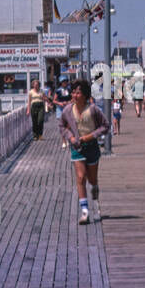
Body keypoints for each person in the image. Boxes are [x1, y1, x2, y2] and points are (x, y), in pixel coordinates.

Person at [58, 78, 108, 224]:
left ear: (85, 95)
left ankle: (96, 195)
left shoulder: (93, 109)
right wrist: (70, 137)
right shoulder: (68, 110)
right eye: (73, 92)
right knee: (80, 177)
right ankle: (85, 212)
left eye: (78, 93)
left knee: (92, 179)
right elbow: (61, 126)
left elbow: (105, 126)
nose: (74, 95)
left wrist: (90, 136)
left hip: (91, 146)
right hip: (77, 148)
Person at [54, 79, 72, 147]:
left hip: (68, 108)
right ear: (61, 83)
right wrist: (60, 103)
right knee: (62, 126)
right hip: (60, 109)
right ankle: (63, 141)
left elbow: (72, 99)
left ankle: (68, 139)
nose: (65, 83)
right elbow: (54, 100)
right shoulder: (58, 90)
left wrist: (68, 102)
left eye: (66, 82)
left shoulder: (69, 90)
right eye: (63, 82)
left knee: (69, 126)